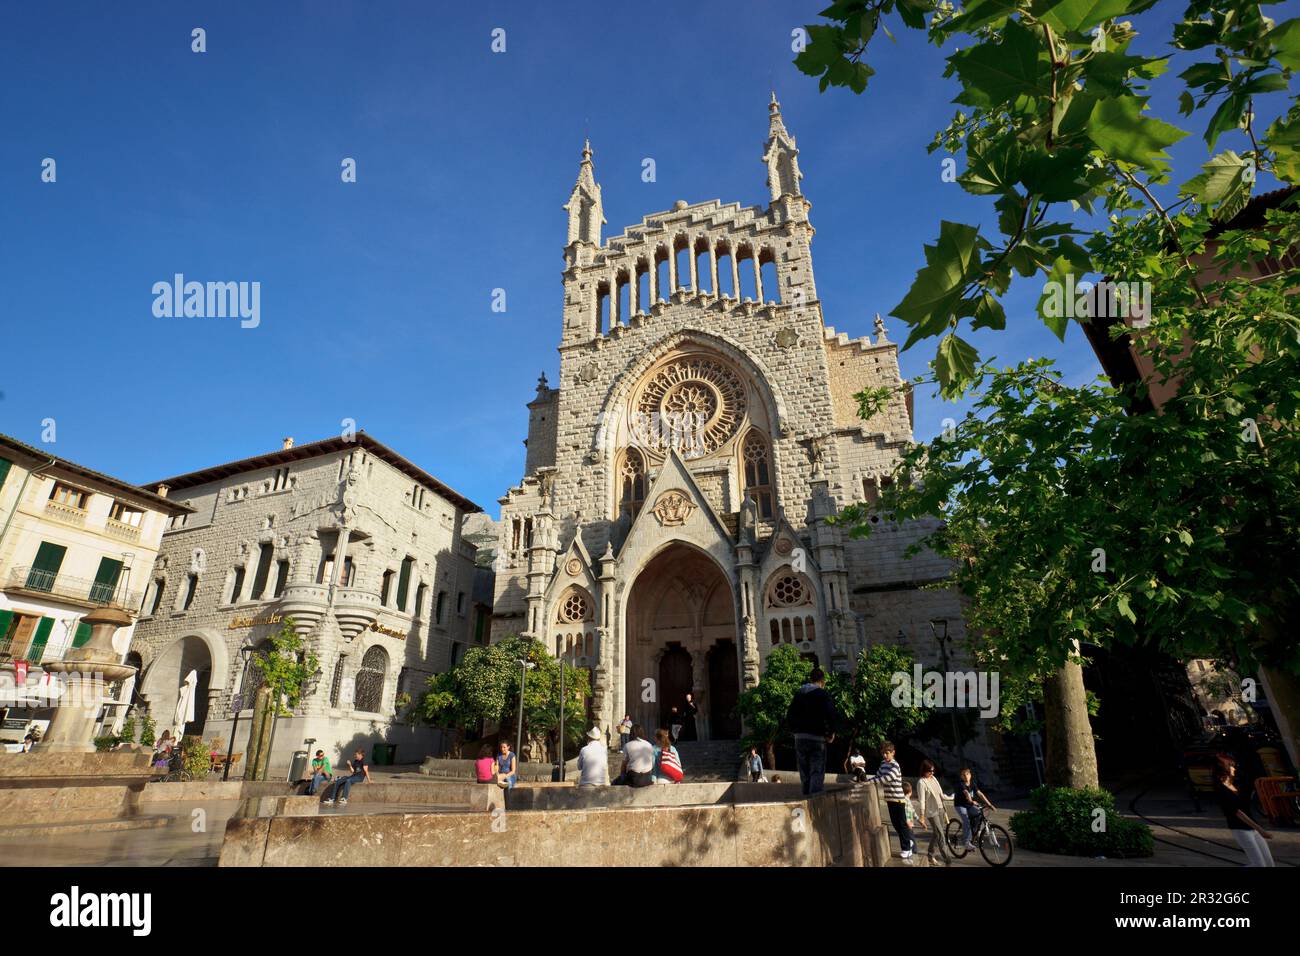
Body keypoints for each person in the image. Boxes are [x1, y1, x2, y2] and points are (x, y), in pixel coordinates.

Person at [1214, 755, 1275, 866]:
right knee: (1259, 865)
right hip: (1241, 830)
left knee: (1269, 863)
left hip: (1253, 828)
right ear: (1224, 769)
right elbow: (1238, 812)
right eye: (1231, 766)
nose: (1234, 769)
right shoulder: (1221, 790)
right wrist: (1260, 830)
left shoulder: (1235, 785)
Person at [786, 667, 835, 795]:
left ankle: (805, 799)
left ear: (810, 679)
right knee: (816, 771)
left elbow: (789, 715)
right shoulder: (823, 695)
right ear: (822, 681)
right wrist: (831, 732)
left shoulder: (799, 694)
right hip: (817, 738)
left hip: (800, 738)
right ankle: (815, 802)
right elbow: (831, 715)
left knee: (804, 772)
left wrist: (794, 731)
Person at [863, 741, 912, 859]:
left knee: (901, 824)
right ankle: (908, 842)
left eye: (887, 753)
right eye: (883, 753)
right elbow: (878, 776)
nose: (885, 755)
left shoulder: (895, 765)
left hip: (898, 800)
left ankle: (906, 848)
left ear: (893, 753)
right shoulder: (883, 764)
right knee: (895, 824)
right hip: (889, 799)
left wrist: (871, 782)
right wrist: (866, 781)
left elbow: (886, 779)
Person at [916, 759, 953, 866]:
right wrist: (922, 816)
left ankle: (930, 854)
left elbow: (941, 795)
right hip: (932, 812)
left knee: (936, 834)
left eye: (933, 771)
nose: (932, 773)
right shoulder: (921, 783)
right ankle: (947, 859)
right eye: (930, 771)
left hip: (941, 809)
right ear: (924, 770)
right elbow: (921, 800)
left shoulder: (934, 779)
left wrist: (952, 797)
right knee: (941, 835)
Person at [953, 767, 995, 849]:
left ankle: (974, 833)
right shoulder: (961, 784)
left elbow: (980, 794)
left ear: (970, 775)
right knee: (966, 820)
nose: (966, 776)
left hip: (969, 805)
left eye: (967, 774)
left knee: (979, 814)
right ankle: (966, 842)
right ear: (961, 776)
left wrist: (989, 804)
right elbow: (966, 794)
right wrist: (972, 802)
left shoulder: (972, 784)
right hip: (960, 805)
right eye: (963, 775)